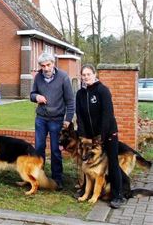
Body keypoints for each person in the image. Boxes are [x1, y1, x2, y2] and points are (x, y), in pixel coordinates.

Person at [75, 64, 126, 209]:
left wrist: (101, 136)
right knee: (87, 162)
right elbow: (80, 115)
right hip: (90, 136)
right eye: (83, 75)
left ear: (94, 74)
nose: (86, 77)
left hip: (108, 133)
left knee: (113, 163)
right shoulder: (80, 94)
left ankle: (118, 195)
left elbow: (107, 115)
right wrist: (83, 134)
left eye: (88, 74)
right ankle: (85, 190)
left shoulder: (102, 90)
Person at [30, 52, 74, 190]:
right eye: (43, 66)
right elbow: (31, 95)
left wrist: (68, 120)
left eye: (48, 65)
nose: (46, 68)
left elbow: (70, 101)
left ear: (53, 64)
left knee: (55, 150)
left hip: (57, 119)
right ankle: (39, 177)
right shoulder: (38, 77)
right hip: (41, 119)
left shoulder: (63, 77)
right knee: (38, 148)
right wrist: (36, 97)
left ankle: (57, 179)